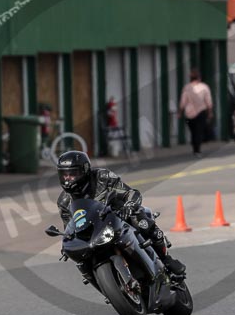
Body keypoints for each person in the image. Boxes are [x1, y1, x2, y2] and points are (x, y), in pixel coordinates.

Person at [56, 151, 185, 275]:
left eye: (72, 174)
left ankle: (166, 259)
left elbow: (130, 193)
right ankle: (103, 286)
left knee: (141, 220)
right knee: (80, 259)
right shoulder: (64, 201)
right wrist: (67, 243)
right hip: (95, 232)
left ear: (84, 170)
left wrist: (129, 205)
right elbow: (69, 226)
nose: (68, 179)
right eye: (64, 175)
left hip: (118, 216)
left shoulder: (102, 177)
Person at [178, 69, 213, 158]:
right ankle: (197, 150)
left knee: (193, 131)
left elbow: (183, 101)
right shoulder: (204, 87)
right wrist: (210, 112)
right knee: (199, 131)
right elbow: (208, 102)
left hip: (189, 113)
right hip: (201, 112)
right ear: (199, 78)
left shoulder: (187, 87)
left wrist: (180, 112)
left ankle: (195, 147)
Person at [228, 72, 235, 140]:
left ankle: (231, 134)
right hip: (230, 100)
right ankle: (230, 134)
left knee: (231, 119)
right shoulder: (230, 76)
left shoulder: (231, 76)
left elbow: (234, 89)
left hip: (232, 101)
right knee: (230, 119)